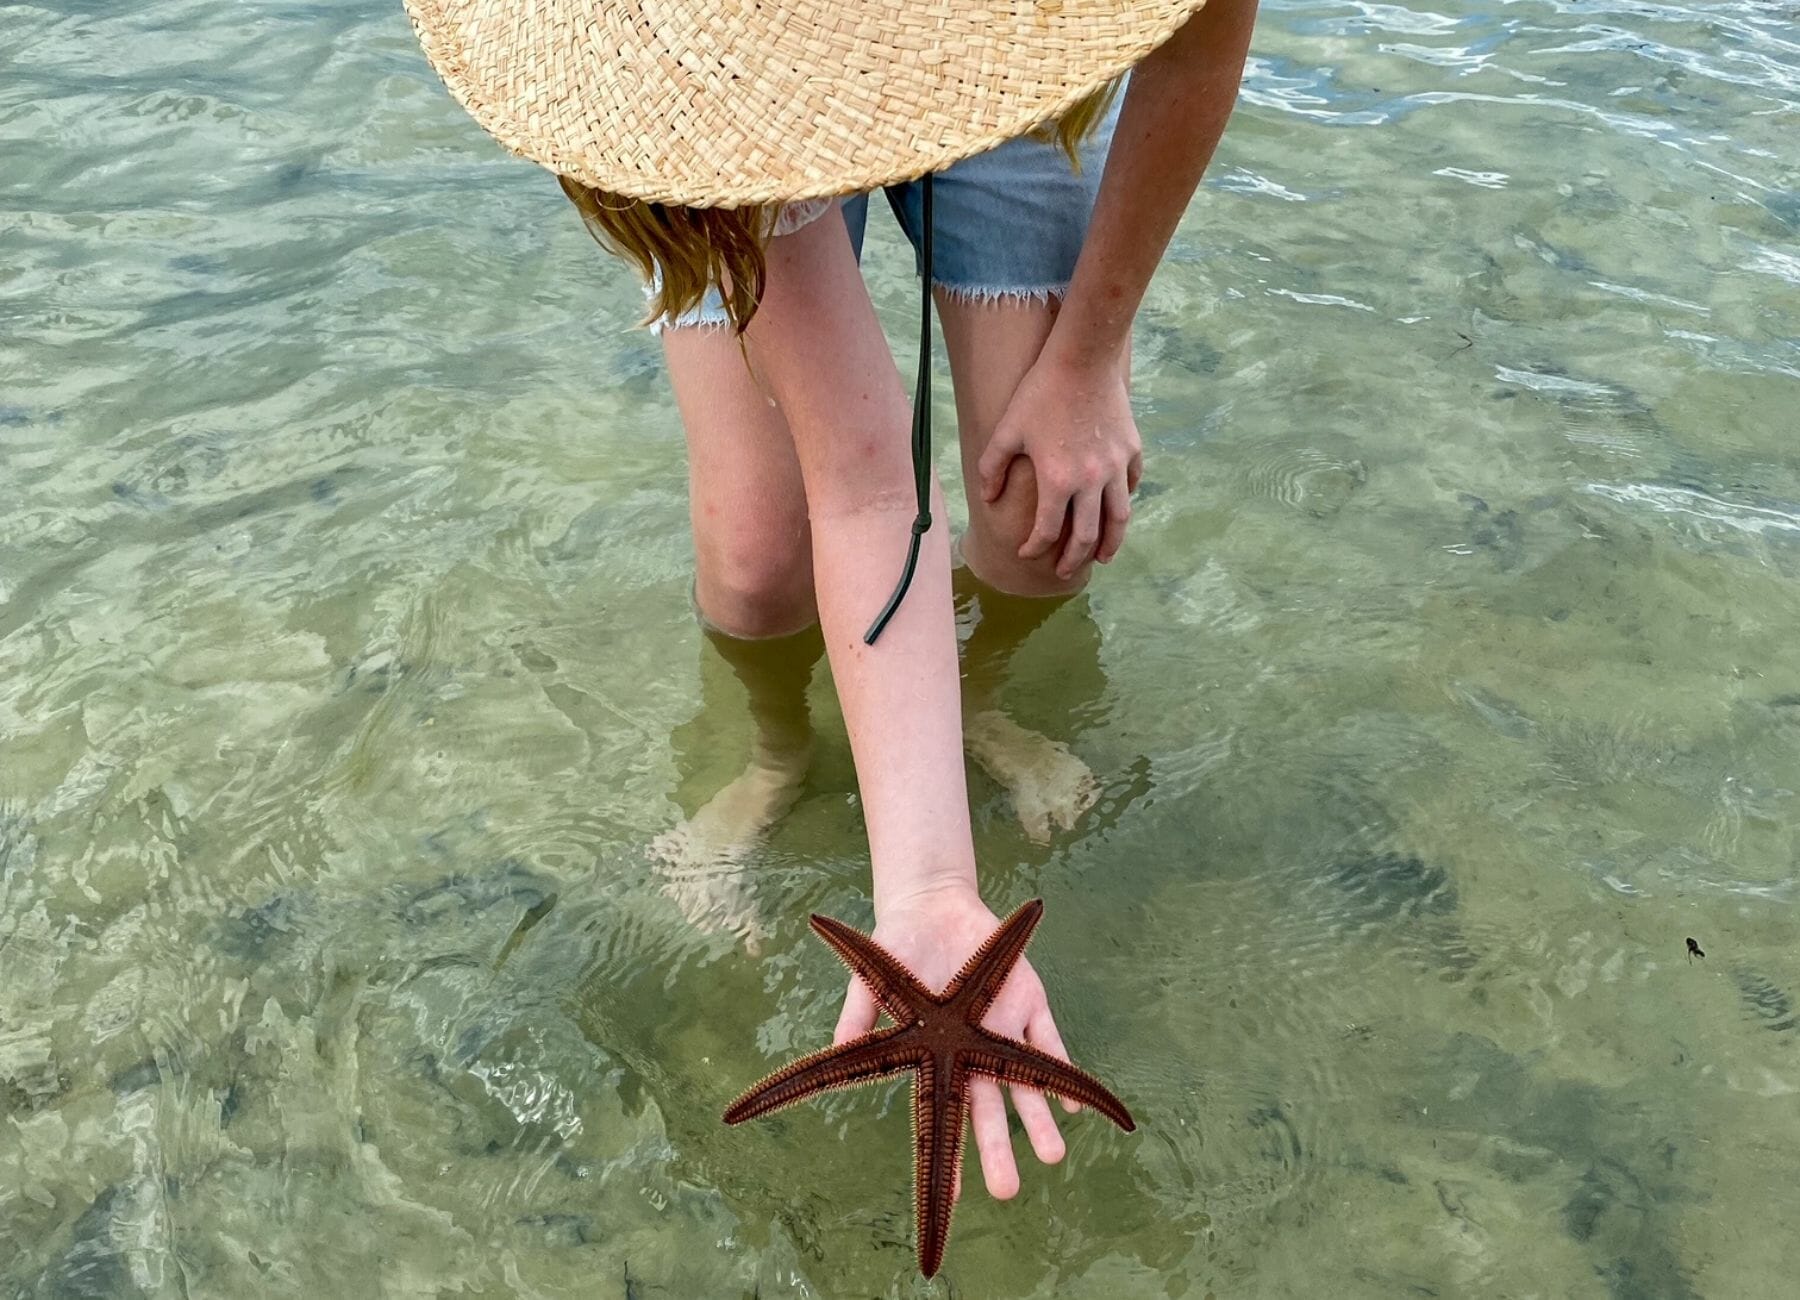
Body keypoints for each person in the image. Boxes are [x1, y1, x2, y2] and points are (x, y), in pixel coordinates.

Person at [404, 0, 1257, 1210]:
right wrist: (926, 889)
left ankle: (975, 699)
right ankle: (776, 753)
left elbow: (1202, 39)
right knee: (759, 555)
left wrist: (1091, 361)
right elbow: (864, 484)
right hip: (731, 97)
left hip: (997, 50)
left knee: (1045, 512)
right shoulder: (674, 55)